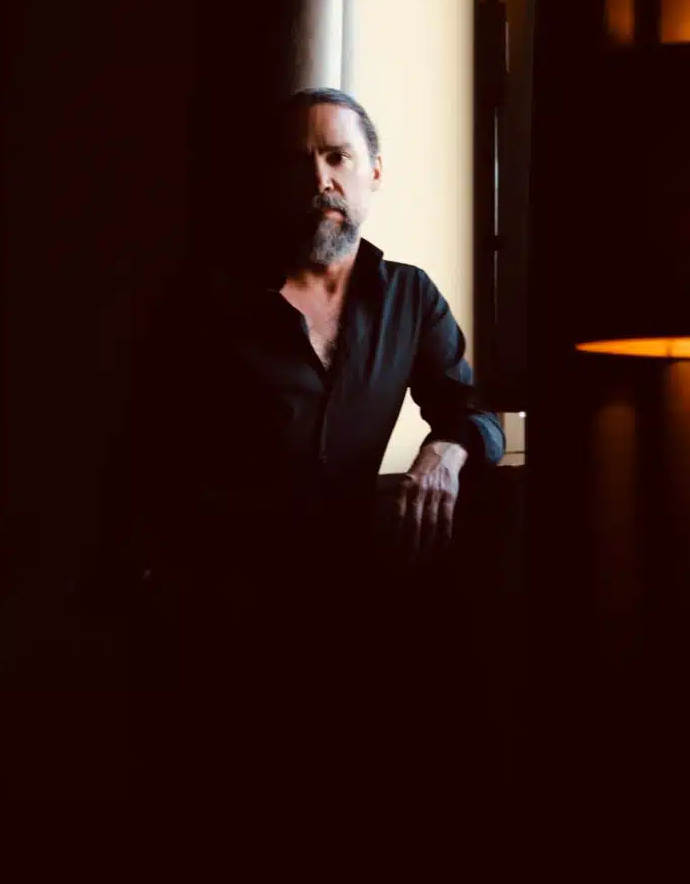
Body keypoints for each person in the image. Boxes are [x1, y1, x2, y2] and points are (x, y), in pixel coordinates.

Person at [101, 87, 505, 843]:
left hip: (353, 619)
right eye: (299, 162)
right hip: (219, 627)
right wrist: (152, 592)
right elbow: (139, 455)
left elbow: (475, 411)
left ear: (373, 172)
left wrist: (445, 450)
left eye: (337, 156)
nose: (319, 178)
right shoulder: (206, 302)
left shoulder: (409, 297)